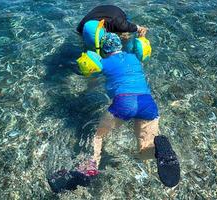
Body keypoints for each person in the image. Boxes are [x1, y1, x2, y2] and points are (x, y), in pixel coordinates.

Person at [81, 33, 180, 188]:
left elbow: (92, 85)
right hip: (147, 103)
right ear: (120, 46)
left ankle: (89, 169)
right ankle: (158, 151)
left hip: (124, 102)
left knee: (98, 136)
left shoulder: (103, 63)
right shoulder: (135, 58)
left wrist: (86, 89)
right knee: (143, 149)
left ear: (104, 50)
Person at [77, 5, 148, 46]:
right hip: (97, 12)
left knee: (126, 36)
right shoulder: (80, 28)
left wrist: (141, 33)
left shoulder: (121, 24)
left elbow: (140, 28)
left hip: (115, 12)